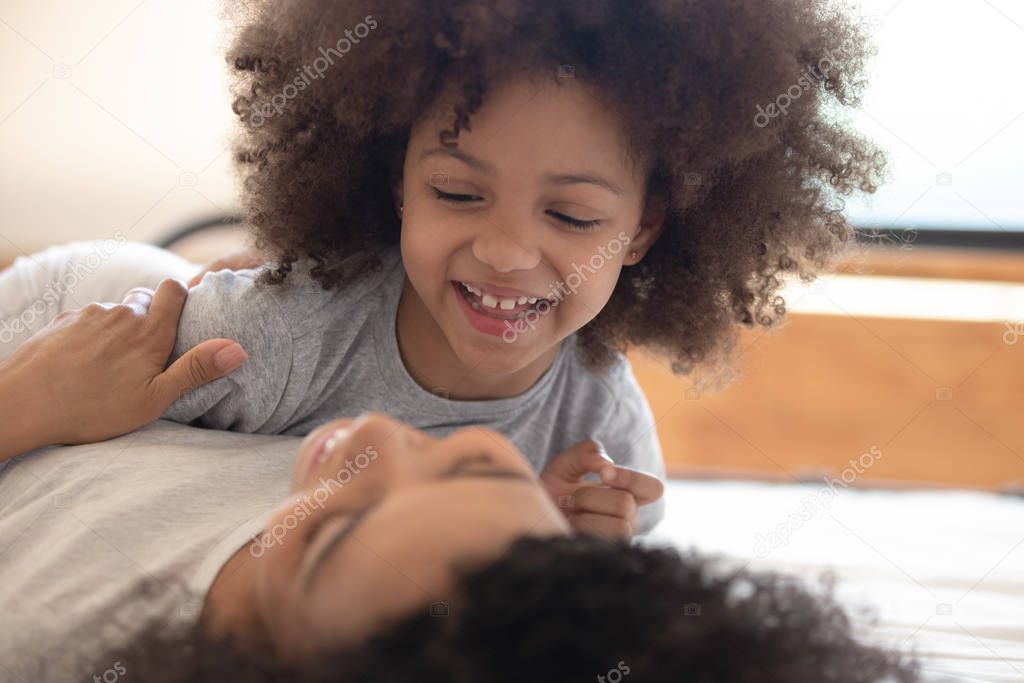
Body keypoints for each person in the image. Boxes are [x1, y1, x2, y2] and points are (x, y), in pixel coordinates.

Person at [0, 307, 919, 682]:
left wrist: (22, 407)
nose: (369, 437)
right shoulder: (474, 572)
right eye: (475, 467)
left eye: (324, 543)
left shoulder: (52, 644)